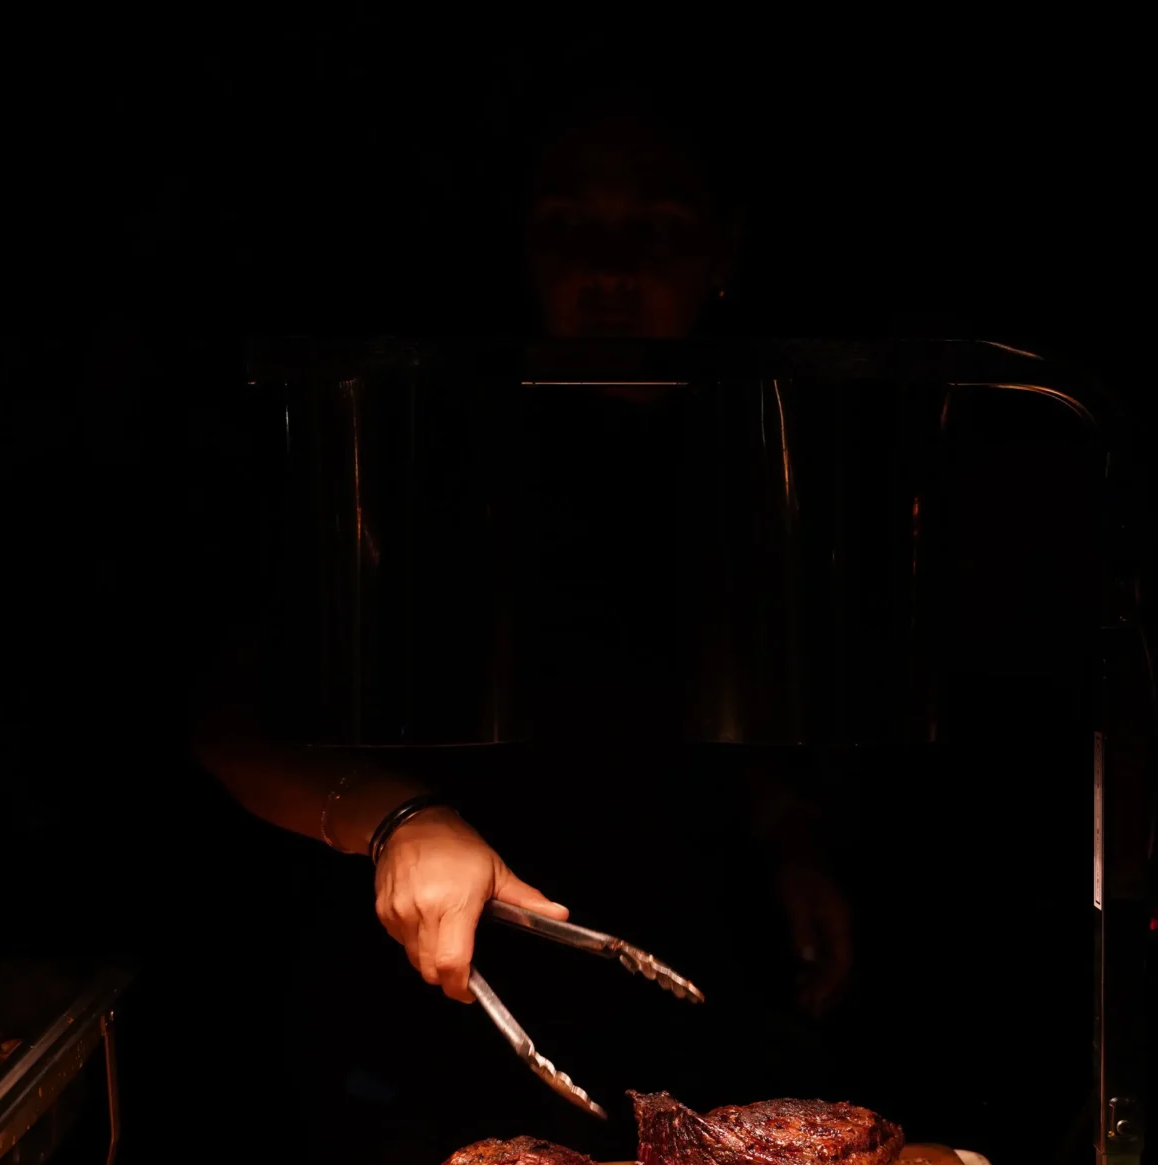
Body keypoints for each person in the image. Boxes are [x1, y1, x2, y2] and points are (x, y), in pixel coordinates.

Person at [192, 93, 853, 1037]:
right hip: (431, 989)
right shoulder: (425, 442)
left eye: (657, 226)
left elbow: (687, 695)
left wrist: (787, 835)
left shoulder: (757, 450)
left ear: (723, 250)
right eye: (569, 223)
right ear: (523, 242)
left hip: (693, 964)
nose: (610, 267)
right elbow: (228, 715)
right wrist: (397, 816)